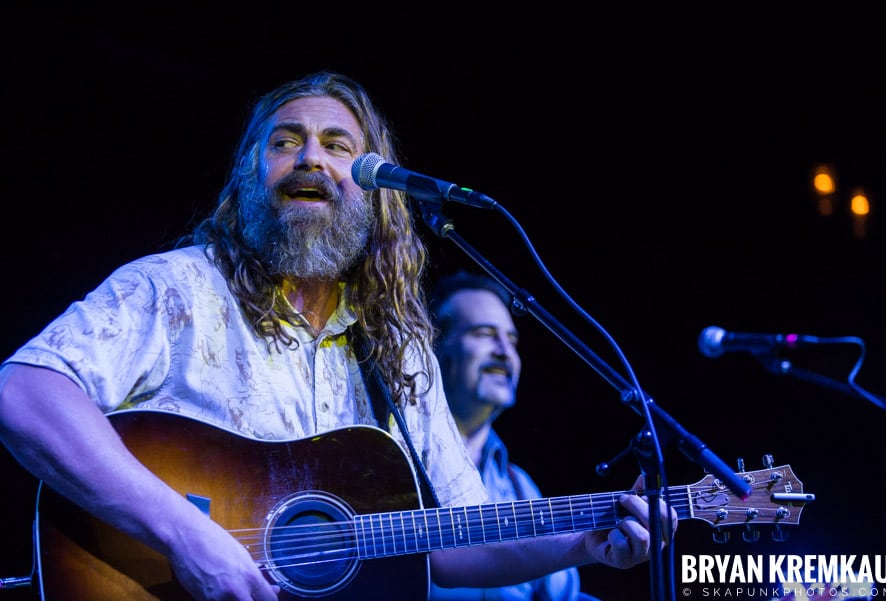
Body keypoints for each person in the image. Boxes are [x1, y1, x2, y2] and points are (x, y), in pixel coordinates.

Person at [0, 71, 676, 601]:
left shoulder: (401, 351)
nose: (310, 159)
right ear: (248, 177)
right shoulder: (177, 288)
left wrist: (583, 542)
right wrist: (188, 536)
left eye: (338, 146)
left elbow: (450, 540)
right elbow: (22, 393)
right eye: (285, 141)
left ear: (374, 190)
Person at [428, 270, 601, 601]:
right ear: (434, 345)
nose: (505, 352)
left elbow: (565, 596)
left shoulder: (520, 487)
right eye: (484, 334)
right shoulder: (393, 469)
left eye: (512, 340)